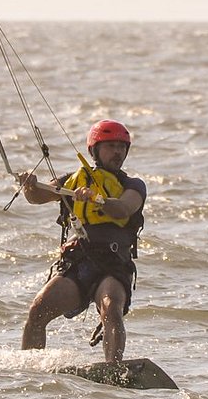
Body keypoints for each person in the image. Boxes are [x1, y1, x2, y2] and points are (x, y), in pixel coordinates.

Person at [19, 119, 146, 365]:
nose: (117, 152)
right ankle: (28, 368)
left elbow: (123, 209)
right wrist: (30, 185)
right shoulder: (73, 180)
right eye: (110, 146)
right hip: (80, 263)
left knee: (111, 307)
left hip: (113, 264)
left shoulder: (133, 185)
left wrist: (98, 200)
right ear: (94, 150)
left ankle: (113, 369)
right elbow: (37, 197)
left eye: (122, 147)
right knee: (38, 311)